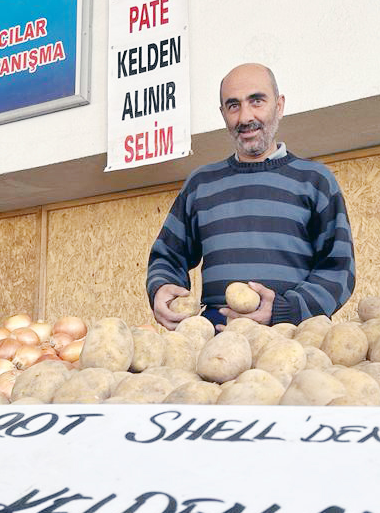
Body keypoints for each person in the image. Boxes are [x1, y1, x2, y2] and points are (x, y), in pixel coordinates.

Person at [146, 63, 355, 330]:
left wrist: (284, 311)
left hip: (293, 340)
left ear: (279, 105)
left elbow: (339, 269)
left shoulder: (315, 180)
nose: (245, 117)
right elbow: (167, 256)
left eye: (257, 101)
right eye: (233, 105)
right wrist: (162, 287)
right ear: (223, 114)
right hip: (215, 344)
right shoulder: (201, 184)